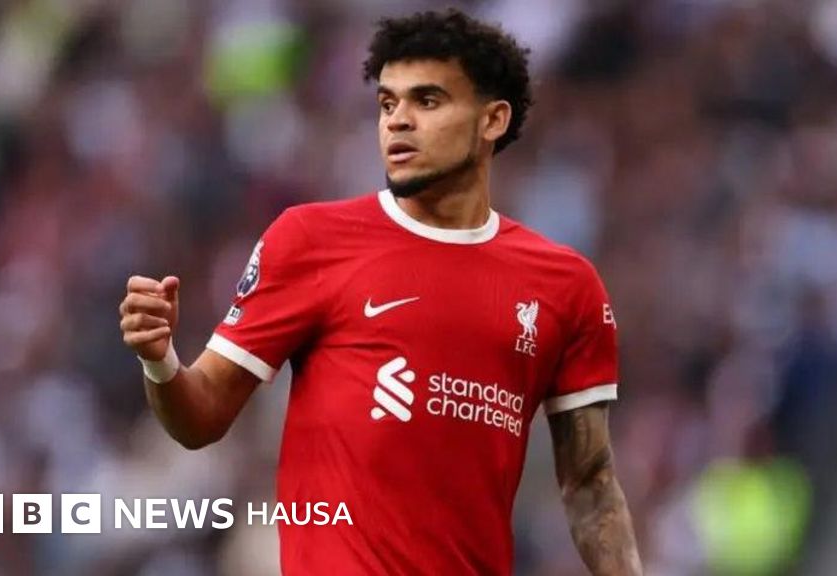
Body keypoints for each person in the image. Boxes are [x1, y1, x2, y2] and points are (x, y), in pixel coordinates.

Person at [118, 8, 642, 575]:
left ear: (492, 119)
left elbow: (591, 485)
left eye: (428, 101)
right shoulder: (311, 240)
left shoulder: (565, 285)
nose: (398, 122)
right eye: (388, 104)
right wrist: (160, 359)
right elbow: (201, 418)